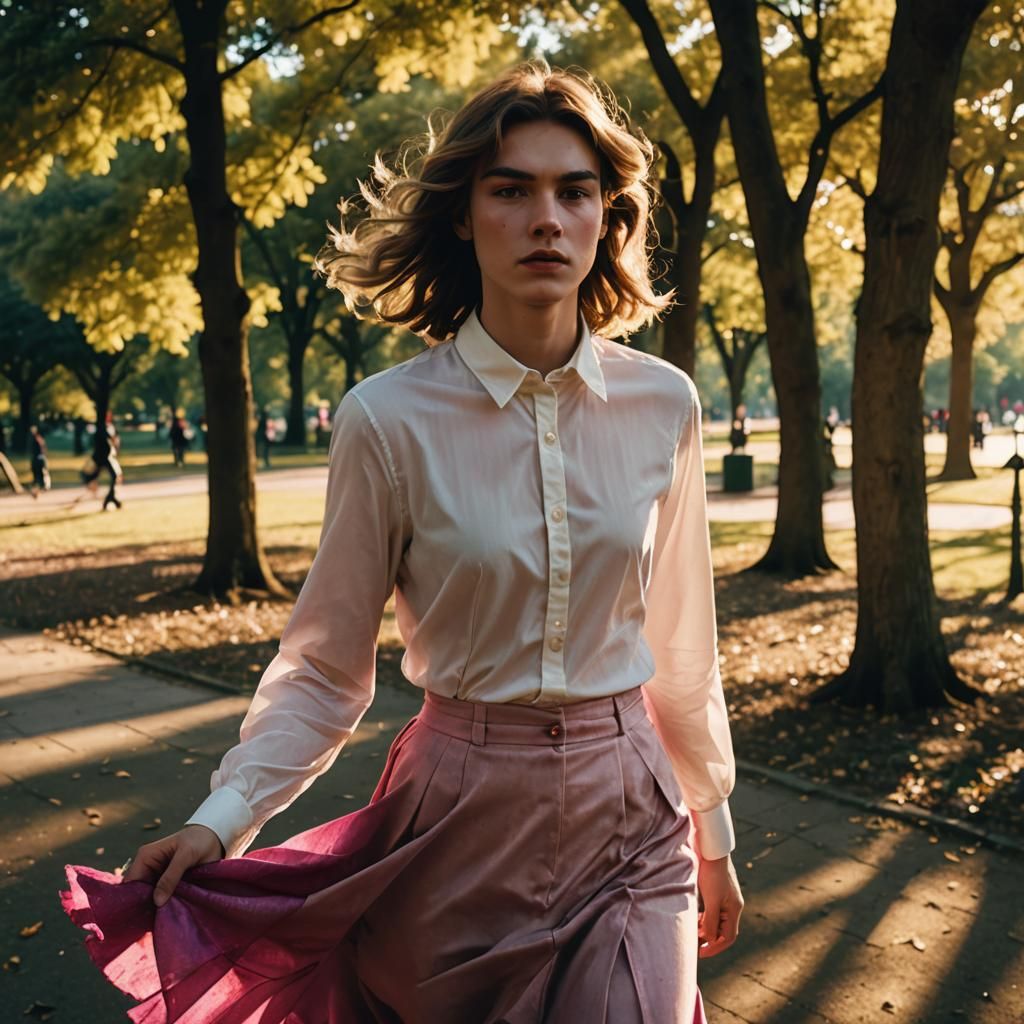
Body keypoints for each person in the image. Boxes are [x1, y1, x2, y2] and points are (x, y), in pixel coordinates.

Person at [60, 60, 743, 1022]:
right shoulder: (386, 420)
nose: (547, 217)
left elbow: (683, 648)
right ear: (464, 215)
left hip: (632, 823)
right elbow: (325, 669)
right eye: (511, 189)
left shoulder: (663, 404)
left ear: (606, 217)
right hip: (454, 821)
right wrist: (222, 821)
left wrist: (711, 829)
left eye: (574, 190)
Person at [81, 410, 123, 510]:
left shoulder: (108, 427)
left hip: (107, 456)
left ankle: (111, 498)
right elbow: (111, 439)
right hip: (101, 457)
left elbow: (115, 441)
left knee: (115, 476)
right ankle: (111, 498)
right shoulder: (102, 428)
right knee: (110, 476)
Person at [28, 424, 51, 497]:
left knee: (41, 472)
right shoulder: (34, 438)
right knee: (36, 473)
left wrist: (42, 456)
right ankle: (38, 487)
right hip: (36, 458)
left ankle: (43, 486)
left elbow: (43, 449)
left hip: (39, 458)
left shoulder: (38, 439)